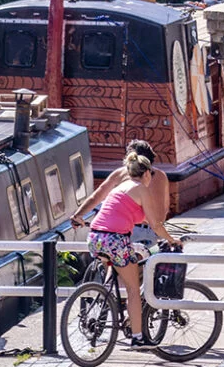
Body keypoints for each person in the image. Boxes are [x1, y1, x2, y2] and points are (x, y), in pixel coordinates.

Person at [75, 147, 179, 343]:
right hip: (115, 240)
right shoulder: (141, 189)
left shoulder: (119, 187)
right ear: (147, 172)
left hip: (95, 238)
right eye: (151, 174)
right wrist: (172, 239)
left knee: (126, 258)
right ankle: (138, 338)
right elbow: (156, 223)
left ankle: (108, 297)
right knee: (133, 290)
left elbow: (103, 203)